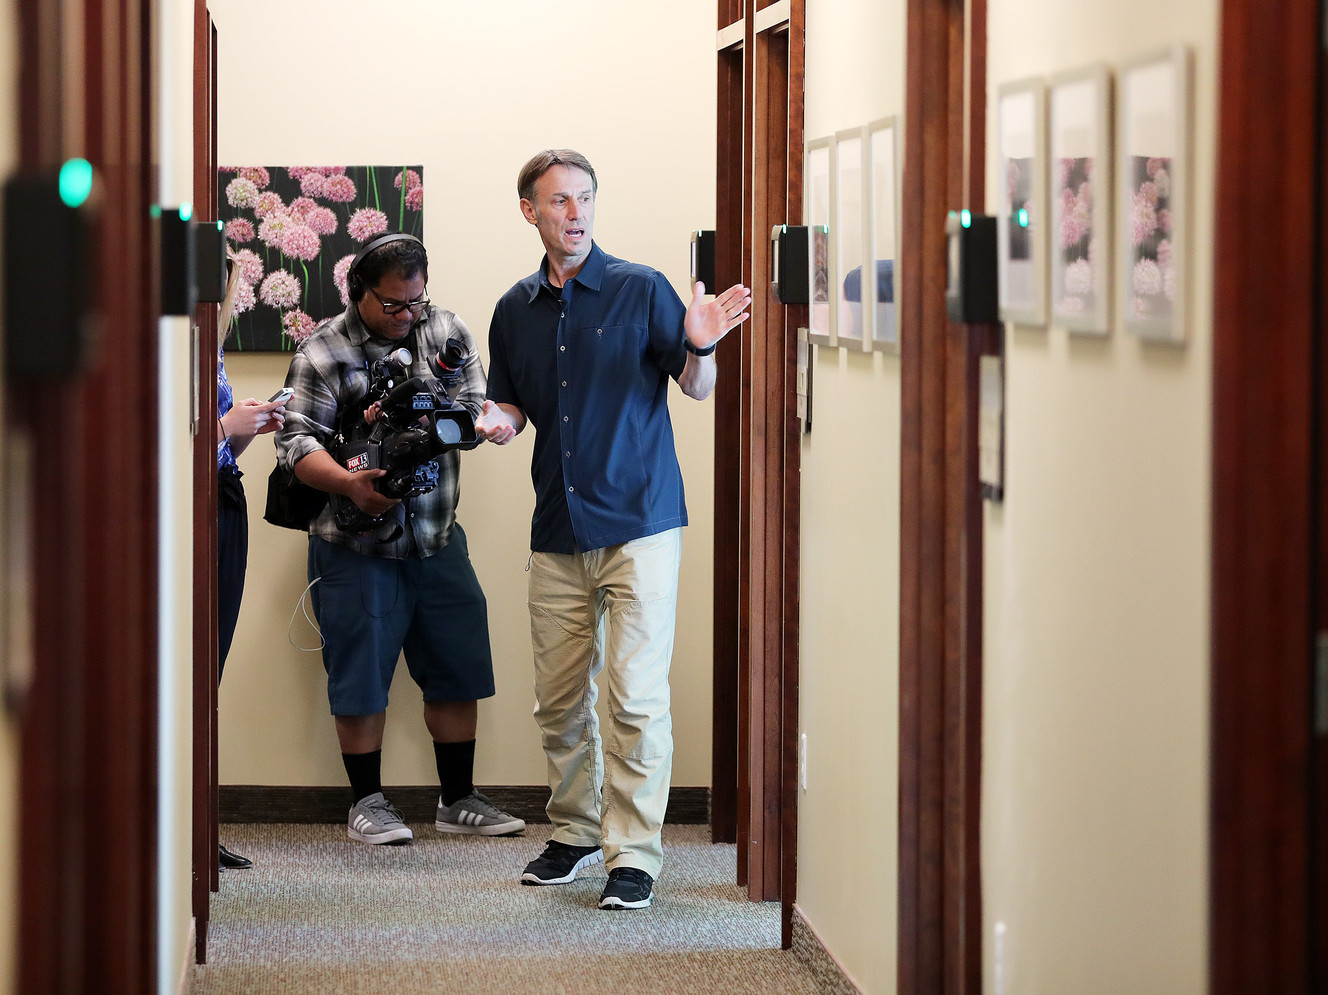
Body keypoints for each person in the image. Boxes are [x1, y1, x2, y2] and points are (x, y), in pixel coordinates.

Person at [475, 149, 751, 909]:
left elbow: (696, 387)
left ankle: (633, 853)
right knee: (559, 700)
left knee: (631, 697)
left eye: (585, 198)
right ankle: (572, 831)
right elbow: (511, 407)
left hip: (640, 523)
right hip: (558, 528)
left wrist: (699, 344)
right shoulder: (512, 309)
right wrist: (489, 420)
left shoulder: (640, 288)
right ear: (529, 210)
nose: (575, 212)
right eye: (559, 201)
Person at [274, 232, 524, 846]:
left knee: (459, 667)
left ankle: (457, 798)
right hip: (354, 541)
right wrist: (351, 482)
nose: (409, 316)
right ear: (359, 292)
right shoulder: (322, 352)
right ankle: (367, 803)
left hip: (438, 535)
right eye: (394, 305)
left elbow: (471, 404)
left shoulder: (446, 332)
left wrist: (475, 424)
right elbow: (295, 445)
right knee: (359, 674)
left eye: (417, 301)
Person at [216, 258, 290, 870]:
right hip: (192, 509)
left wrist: (243, 431)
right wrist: (221, 424)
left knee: (210, 662)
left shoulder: (205, 353)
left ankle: (196, 821)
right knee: (193, 667)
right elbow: (156, 438)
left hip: (222, 495)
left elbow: (212, 447)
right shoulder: (165, 348)